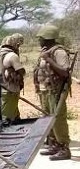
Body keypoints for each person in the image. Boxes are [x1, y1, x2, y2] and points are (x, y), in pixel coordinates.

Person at [34, 25, 72, 161]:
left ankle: (64, 148)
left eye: (41, 38)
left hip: (56, 91)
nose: (39, 41)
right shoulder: (46, 50)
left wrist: (49, 59)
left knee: (57, 118)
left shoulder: (59, 52)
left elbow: (65, 72)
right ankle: (54, 144)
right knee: (48, 118)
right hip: (46, 90)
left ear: (47, 38)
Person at [0, 33, 26, 122]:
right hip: (10, 90)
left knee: (11, 113)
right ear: (15, 44)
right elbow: (21, 71)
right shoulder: (12, 55)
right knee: (7, 119)